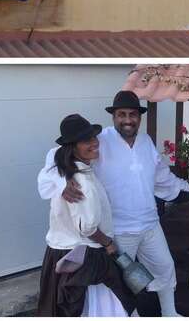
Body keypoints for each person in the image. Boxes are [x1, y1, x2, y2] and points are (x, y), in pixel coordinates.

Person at [38, 91, 189, 317]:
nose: (127, 120)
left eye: (132, 114)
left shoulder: (146, 141)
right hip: (119, 229)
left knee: (164, 269)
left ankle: (170, 313)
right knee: (123, 283)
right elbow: (56, 157)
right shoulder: (100, 140)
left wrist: (185, 190)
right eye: (121, 114)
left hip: (150, 224)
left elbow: (161, 176)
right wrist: (63, 182)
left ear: (140, 117)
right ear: (113, 116)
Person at [37, 114, 137, 317]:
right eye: (86, 140)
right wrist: (108, 243)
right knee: (102, 308)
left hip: (59, 252)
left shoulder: (64, 172)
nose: (94, 143)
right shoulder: (82, 182)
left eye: (93, 137)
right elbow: (88, 228)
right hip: (84, 257)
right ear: (72, 147)